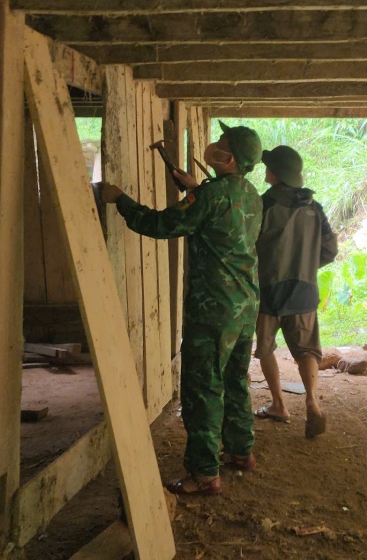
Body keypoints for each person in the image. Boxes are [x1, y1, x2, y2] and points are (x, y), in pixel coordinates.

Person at [100, 122, 263, 496]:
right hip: (245, 305)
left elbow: (160, 224)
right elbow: (223, 219)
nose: (215, 145)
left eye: (222, 143)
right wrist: (196, 190)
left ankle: (205, 473)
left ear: (230, 157)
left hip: (213, 311)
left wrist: (119, 199)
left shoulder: (212, 196)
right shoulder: (251, 194)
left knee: (203, 387)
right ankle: (241, 452)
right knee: (235, 379)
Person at [251, 145, 338, 439]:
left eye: (268, 167)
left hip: (268, 292)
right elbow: (330, 249)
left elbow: (246, 245)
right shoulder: (314, 207)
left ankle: (278, 404)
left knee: (265, 348)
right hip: (304, 292)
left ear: (274, 174)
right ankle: (312, 402)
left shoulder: (263, 205)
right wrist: (306, 268)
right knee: (307, 351)